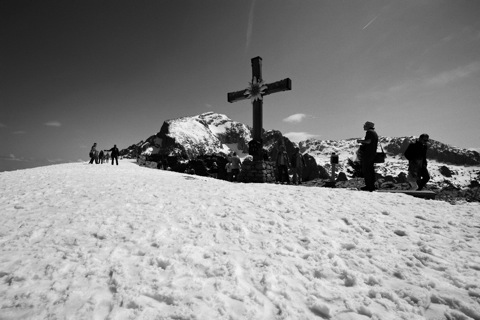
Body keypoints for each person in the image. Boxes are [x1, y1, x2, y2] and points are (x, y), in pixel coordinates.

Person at [357, 121, 378, 191]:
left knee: (366, 169)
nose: (364, 126)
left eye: (365, 125)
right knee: (370, 169)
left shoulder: (369, 132)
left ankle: (369, 186)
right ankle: (372, 185)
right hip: (372, 154)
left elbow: (368, 141)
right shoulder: (374, 133)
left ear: (368, 126)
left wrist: (361, 141)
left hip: (368, 154)